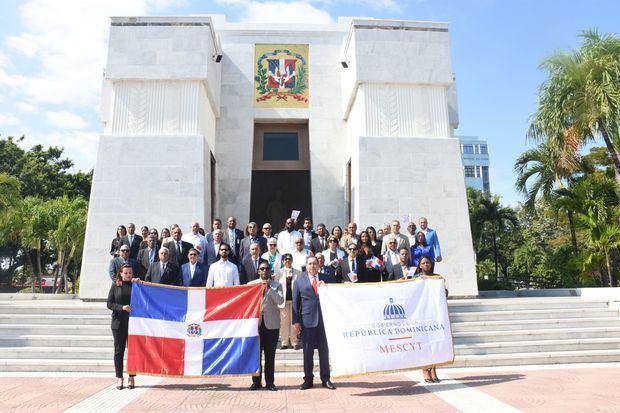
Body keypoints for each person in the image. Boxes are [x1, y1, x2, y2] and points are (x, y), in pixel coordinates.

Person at [292, 256, 335, 390]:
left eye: (315, 263)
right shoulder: (299, 281)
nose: (312, 266)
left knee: (324, 351)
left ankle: (326, 379)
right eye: (310, 264)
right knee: (307, 352)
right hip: (307, 321)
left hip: (324, 321)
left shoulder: (327, 279)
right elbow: (295, 303)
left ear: (319, 265)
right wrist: (296, 321)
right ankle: (308, 379)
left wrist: (326, 287)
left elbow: (335, 296)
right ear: (306, 265)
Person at [248, 264, 284, 391]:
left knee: (270, 356)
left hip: (271, 325)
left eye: (267, 269)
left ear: (270, 271)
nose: (264, 271)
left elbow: (280, 301)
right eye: (262, 269)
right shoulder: (251, 284)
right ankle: (256, 382)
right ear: (258, 271)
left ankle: (270, 382)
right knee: (256, 355)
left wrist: (269, 289)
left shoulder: (277, 285)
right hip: (255, 325)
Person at [107, 264, 137, 390]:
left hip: (133, 324)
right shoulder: (116, 285)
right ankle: (119, 377)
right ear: (120, 273)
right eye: (126, 273)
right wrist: (122, 307)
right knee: (119, 351)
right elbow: (109, 303)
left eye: (130, 273)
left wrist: (140, 283)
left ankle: (131, 377)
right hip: (118, 323)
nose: (128, 275)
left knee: (133, 351)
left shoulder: (136, 285)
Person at [417, 255, 444, 383]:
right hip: (422, 314)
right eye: (423, 263)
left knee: (435, 342)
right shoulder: (416, 279)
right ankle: (425, 369)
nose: (426, 265)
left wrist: (442, 286)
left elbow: (445, 294)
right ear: (420, 265)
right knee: (424, 343)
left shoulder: (437, 277)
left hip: (435, 314)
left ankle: (433, 369)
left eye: (428, 263)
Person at [274, 253, 301, 350]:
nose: (287, 261)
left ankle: (294, 342)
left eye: (289, 259)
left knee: (294, 322)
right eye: (285, 259)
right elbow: (276, 286)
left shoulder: (298, 272)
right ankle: (284, 342)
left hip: (294, 300)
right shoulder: (279, 273)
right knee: (284, 322)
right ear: (282, 261)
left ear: (292, 260)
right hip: (283, 300)